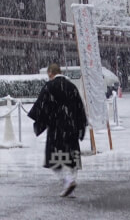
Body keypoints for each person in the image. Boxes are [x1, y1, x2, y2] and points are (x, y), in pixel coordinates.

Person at [28, 62, 87, 197]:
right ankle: (71, 182)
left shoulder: (49, 87)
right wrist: (80, 125)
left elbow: (42, 107)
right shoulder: (71, 87)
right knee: (72, 158)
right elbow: (79, 107)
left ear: (50, 73)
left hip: (56, 129)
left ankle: (67, 181)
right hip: (71, 128)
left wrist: (40, 122)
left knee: (54, 160)